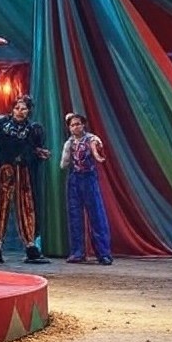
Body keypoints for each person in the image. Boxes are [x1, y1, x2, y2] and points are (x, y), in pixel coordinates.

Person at [0, 95, 51, 264]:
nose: (19, 111)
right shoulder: (1, 124)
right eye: (17, 108)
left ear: (29, 111)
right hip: (5, 169)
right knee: (2, 205)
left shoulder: (34, 129)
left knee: (26, 205)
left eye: (23, 109)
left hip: (24, 170)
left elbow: (35, 149)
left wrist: (39, 153)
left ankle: (30, 244)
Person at [60, 111, 113, 265]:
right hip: (74, 179)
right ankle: (77, 252)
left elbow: (98, 151)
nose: (75, 127)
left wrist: (96, 150)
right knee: (75, 216)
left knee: (96, 215)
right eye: (72, 125)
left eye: (78, 124)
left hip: (88, 178)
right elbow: (63, 164)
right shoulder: (69, 143)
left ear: (83, 125)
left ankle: (103, 253)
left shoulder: (91, 139)